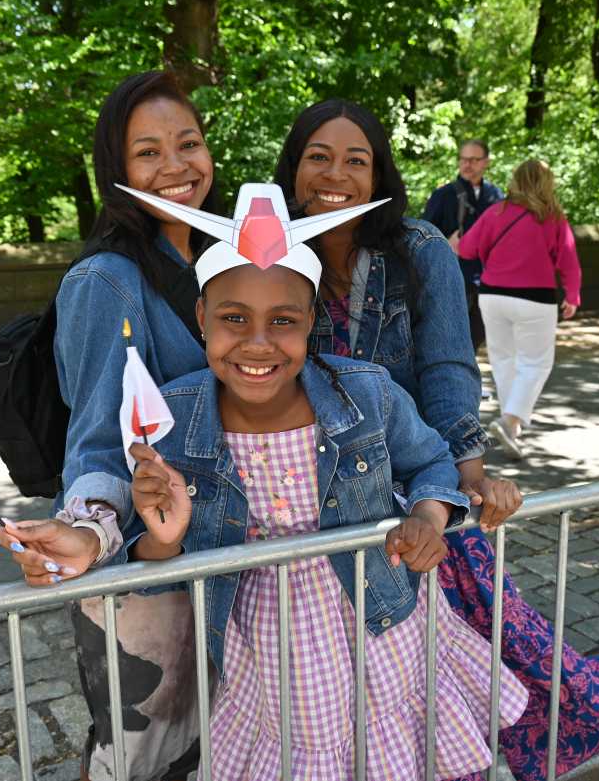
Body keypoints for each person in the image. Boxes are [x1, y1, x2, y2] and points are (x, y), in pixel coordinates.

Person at [275, 104, 599, 781]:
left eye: (357, 160)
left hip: (411, 494)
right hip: (304, 507)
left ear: (380, 173)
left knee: (490, 650)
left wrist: (469, 473)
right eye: (318, 157)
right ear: (293, 169)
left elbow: (447, 367)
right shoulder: (268, 253)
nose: (336, 175)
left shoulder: (419, 250)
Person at [122, 201, 530, 779]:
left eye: (282, 321)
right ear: (202, 316)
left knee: (390, 752)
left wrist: (428, 518)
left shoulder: (368, 393)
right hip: (267, 645)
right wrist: (164, 539)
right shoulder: (172, 418)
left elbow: (432, 462)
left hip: (383, 620)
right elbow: (147, 555)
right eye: (234, 318)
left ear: (311, 320)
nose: (258, 343)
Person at [0, 72, 217, 781]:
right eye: (148, 152)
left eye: (188, 143)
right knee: (141, 758)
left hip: (222, 558)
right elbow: (97, 441)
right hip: (147, 576)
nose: (175, 165)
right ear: (116, 171)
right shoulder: (106, 282)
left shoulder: (223, 259)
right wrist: (89, 530)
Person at [458, 159, 581, 461]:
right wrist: (572, 295)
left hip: (492, 295)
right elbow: (568, 260)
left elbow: (467, 248)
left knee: (503, 360)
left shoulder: (496, 212)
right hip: (535, 298)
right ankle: (510, 420)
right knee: (536, 363)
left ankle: (511, 430)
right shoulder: (552, 217)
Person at [421, 138, 504, 349]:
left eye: (474, 160)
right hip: (453, 280)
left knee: (477, 337)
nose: (467, 164)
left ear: (486, 162)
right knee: (452, 341)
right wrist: (444, 244)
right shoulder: (443, 195)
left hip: (487, 281)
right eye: (463, 159)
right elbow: (422, 238)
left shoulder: (496, 195)